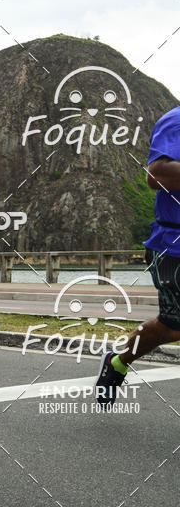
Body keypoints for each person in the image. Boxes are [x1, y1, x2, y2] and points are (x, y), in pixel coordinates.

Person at [96, 106, 180, 407]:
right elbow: (155, 175)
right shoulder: (176, 120)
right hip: (174, 247)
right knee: (173, 326)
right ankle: (119, 361)